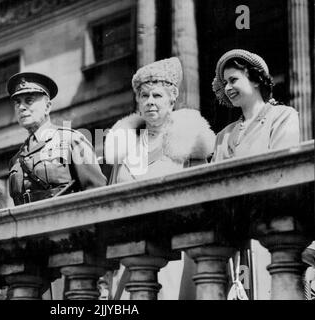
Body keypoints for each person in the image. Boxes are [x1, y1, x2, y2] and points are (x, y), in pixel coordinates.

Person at [104, 57, 216, 299]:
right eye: (144, 96)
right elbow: (109, 208)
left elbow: (205, 205)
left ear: (172, 99)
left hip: (173, 254)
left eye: (157, 96)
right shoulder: (123, 147)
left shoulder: (190, 144)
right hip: (129, 254)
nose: (150, 102)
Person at [210, 48, 314, 299]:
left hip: (271, 230)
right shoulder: (223, 135)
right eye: (225, 83)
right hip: (235, 240)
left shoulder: (283, 117)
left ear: (255, 79)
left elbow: (281, 174)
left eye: (234, 79)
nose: (228, 87)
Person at [6, 72, 106, 206]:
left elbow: (97, 193)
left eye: (29, 100)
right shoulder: (16, 159)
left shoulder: (70, 140)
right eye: (17, 103)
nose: (21, 107)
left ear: (47, 107)